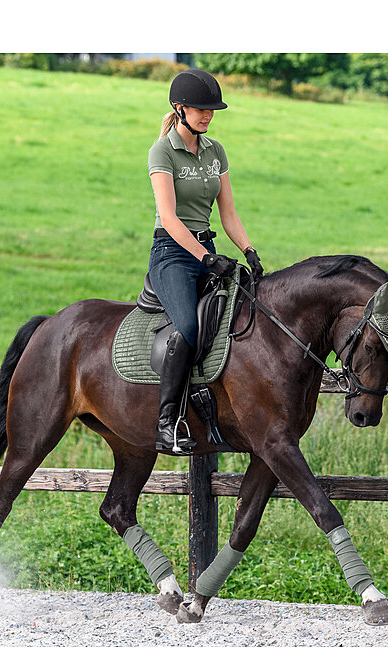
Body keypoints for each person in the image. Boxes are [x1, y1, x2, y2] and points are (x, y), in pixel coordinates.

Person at [147, 68, 264, 455]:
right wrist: (206, 258)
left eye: (212, 110)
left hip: (208, 251)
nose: (207, 116)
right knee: (187, 327)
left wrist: (249, 251)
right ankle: (166, 424)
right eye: (200, 109)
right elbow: (169, 218)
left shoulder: (216, 151)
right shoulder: (162, 151)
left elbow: (228, 213)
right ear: (179, 108)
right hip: (173, 255)